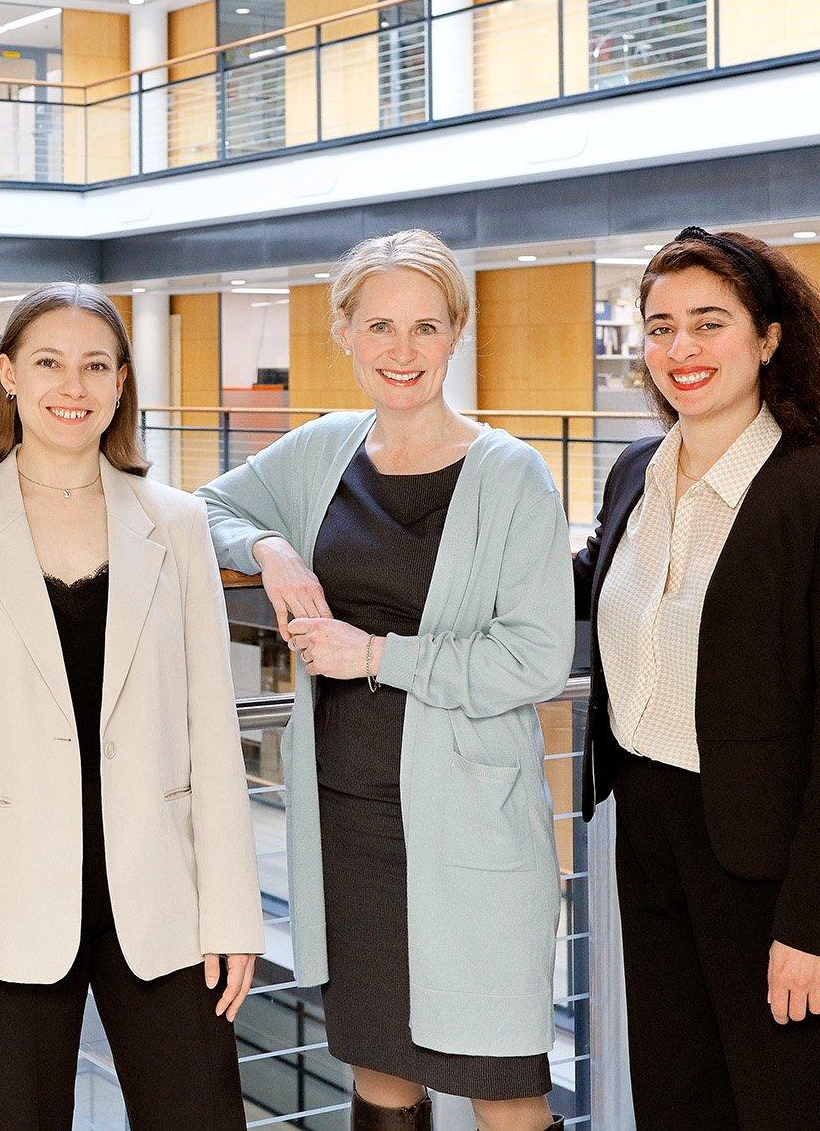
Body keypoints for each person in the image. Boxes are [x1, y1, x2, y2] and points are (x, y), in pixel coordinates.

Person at [199, 230, 572, 1131]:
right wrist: (271, 546)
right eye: (379, 326)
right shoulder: (321, 451)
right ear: (345, 333)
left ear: (456, 333)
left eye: (425, 326)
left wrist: (376, 655)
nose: (402, 350)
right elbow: (204, 506)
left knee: (502, 1085)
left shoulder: (512, 474)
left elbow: (535, 657)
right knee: (381, 1075)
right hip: (348, 821)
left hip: (473, 829)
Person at [0, 282, 262, 1129]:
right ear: (7, 373)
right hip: (8, 903)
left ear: (122, 381)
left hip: (166, 898)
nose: (74, 385)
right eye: (50, 362)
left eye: (96, 366)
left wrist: (234, 911)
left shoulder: (177, 522)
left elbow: (213, 731)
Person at [576, 227, 820, 1128]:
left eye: (708, 323)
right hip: (649, 831)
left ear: (767, 338)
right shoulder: (634, 473)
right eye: (661, 327)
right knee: (676, 1103)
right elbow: (593, 585)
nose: (681, 348)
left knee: (789, 1108)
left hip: (777, 860)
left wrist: (816, 923)